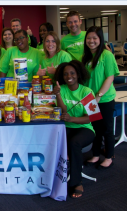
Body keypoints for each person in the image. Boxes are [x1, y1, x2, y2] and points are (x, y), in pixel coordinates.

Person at [53, 60, 95, 198]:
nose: (68, 76)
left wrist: (72, 119)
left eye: (72, 73)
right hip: (67, 127)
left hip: (84, 128)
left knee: (74, 143)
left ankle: (77, 182)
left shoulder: (86, 91)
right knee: (53, 139)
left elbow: (91, 117)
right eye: (65, 74)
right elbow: (63, 111)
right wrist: (58, 94)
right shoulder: (62, 89)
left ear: (78, 74)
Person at [82, 26, 119, 169]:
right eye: (89, 38)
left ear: (100, 39)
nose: (91, 41)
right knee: (95, 128)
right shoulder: (85, 57)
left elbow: (110, 78)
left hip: (104, 99)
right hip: (90, 99)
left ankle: (109, 156)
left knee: (106, 128)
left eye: (94, 38)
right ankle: (96, 154)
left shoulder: (106, 55)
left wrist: (98, 96)